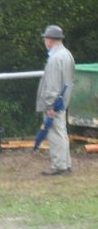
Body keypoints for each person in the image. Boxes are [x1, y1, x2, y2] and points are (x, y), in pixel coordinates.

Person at [36, 25, 75, 176]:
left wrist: (49, 105)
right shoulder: (67, 54)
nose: (44, 41)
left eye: (45, 38)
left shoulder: (55, 58)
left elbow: (52, 84)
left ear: (50, 40)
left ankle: (59, 166)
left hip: (54, 103)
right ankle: (66, 164)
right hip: (63, 100)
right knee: (61, 132)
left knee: (55, 134)